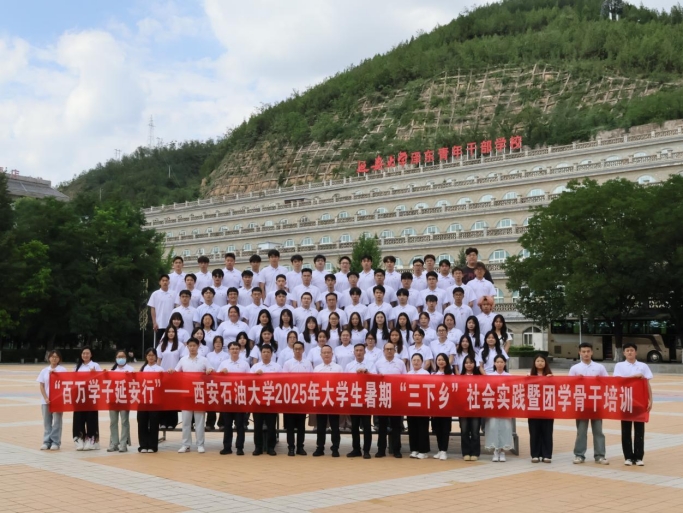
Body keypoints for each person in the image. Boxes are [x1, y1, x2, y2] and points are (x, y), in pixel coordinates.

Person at [169, 337, 213, 454]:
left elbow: (211, 370)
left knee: (199, 422)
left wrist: (209, 371)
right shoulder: (183, 360)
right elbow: (176, 372)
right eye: (190, 346)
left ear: (198, 346)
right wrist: (172, 371)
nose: (192, 348)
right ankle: (185, 444)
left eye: (194, 346)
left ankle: (200, 444)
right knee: (186, 421)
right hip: (186, 394)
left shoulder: (204, 360)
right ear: (187, 347)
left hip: (199, 394)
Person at [613, 342, 653, 466]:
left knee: (639, 430)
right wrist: (634, 377)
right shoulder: (619, 366)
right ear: (624, 353)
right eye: (627, 350)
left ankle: (639, 457)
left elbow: (647, 384)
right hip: (625, 401)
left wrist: (650, 399)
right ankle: (628, 457)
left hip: (639, 402)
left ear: (636, 352)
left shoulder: (643, 366)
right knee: (626, 430)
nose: (630, 352)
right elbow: (618, 382)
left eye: (632, 350)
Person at [570, 342, 610, 465]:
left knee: (598, 431)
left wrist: (600, 380)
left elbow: (608, 383)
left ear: (592, 352)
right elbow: (569, 385)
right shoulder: (575, 368)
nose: (586, 354)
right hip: (581, 403)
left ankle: (600, 455)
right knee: (581, 431)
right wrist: (577, 380)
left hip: (596, 403)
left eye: (588, 351)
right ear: (579, 353)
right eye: (583, 351)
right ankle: (579, 455)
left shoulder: (600, 367)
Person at [217, 342, 251, 456]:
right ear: (229, 351)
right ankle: (227, 447)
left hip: (240, 398)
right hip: (227, 398)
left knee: (240, 425)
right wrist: (221, 373)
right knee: (227, 424)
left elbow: (249, 380)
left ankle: (240, 447)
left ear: (240, 350)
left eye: (236, 348)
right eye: (232, 349)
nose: (234, 350)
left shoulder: (245, 364)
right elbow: (217, 378)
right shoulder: (224, 363)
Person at [282, 341, 313, 456]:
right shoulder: (288, 363)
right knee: (290, 425)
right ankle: (291, 447)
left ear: (303, 350)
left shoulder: (308, 363)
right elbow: (284, 380)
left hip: (302, 398)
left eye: (300, 349)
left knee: (301, 425)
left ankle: (300, 447)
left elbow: (311, 379)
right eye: (296, 349)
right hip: (290, 398)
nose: (298, 351)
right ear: (293, 350)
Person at [375, 341, 406, 458]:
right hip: (382, 397)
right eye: (387, 349)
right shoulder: (378, 363)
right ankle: (381, 450)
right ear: (383, 351)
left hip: (396, 398)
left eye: (391, 349)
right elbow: (374, 379)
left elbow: (405, 379)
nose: (389, 351)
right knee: (382, 426)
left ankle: (396, 450)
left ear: (395, 350)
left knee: (396, 425)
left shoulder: (400, 363)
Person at [345, 343, 376, 459]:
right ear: (354, 352)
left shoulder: (370, 364)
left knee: (367, 426)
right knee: (354, 426)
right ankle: (356, 449)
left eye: (361, 350)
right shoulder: (349, 366)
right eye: (357, 350)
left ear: (364, 352)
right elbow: (346, 381)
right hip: (354, 398)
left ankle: (366, 450)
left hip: (366, 398)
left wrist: (366, 372)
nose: (359, 352)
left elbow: (375, 378)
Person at [251, 344, 282, 455]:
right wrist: (255, 375)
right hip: (258, 400)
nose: (266, 354)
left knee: (271, 425)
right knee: (257, 425)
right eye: (264, 352)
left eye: (268, 352)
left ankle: (270, 447)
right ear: (261, 354)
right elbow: (248, 381)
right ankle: (258, 447)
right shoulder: (255, 367)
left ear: (271, 354)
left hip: (272, 400)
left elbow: (282, 381)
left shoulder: (277, 367)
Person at [313, 345, 343, 457]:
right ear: (321, 355)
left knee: (335, 426)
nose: (326, 354)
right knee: (321, 426)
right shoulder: (317, 369)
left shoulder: (338, 368)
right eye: (324, 352)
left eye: (328, 352)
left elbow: (342, 383)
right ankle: (320, 447)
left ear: (332, 354)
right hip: (321, 400)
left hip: (334, 400)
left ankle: (335, 448)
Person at [485, 355, 514, 462]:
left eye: (502, 362)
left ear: (505, 363)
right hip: (493, 406)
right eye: (497, 362)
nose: (500, 364)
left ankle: (502, 451)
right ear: (494, 363)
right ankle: (495, 450)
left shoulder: (509, 376)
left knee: (505, 427)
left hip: (505, 406)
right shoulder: (489, 376)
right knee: (493, 427)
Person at [73, 347, 102, 451]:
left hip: (91, 395)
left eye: (87, 353)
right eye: (83, 353)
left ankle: (92, 440)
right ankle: (79, 439)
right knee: (79, 418)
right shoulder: (77, 367)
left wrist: (95, 374)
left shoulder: (95, 365)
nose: (85, 355)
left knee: (91, 418)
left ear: (91, 355)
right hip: (79, 396)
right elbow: (72, 380)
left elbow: (101, 379)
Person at [37, 350, 66, 450]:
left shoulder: (62, 370)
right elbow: (41, 385)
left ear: (59, 359)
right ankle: (46, 442)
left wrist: (56, 375)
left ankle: (55, 442)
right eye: (52, 356)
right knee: (47, 422)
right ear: (49, 358)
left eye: (56, 357)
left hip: (58, 401)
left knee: (57, 422)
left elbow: (66, 383)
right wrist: (45, 397)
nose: (54, 358)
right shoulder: (44, 370)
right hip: (46, 400)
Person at [528, 353, 554, 463]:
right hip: (533, 407)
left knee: (547, 431)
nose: (540, 363)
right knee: (534, 432)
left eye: (542, 361)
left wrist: (551, 380)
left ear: (545, 363)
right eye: (538, 361)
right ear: (534, 363)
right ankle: (535, 454)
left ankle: (546, 455)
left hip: (547, 408)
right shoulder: (529, 375)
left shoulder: (550, 376)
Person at [107, 350, 134, 453]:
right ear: (116, 358)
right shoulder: (112, 370)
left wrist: (130, 376)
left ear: (126, 358)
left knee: (124, 421)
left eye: (122, 356)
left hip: (124, 399)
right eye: (119, 357)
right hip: (113, 399)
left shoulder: (130, 369)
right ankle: (114, 443)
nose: (121, 358)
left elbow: (134, 382)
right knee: (113, 422)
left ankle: (123, 444)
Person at [138, 348, 163, 453]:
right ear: (146, 357)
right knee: (142, 422)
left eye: (153, 355)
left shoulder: (160, 369)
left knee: (154, 423)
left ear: (156, 356)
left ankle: (153, 445)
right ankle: (143, 445)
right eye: (149, 355)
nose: (151, 357)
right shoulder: (142, 369)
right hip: (143, 400)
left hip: (155, 400)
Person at [156, 326, 181, 429]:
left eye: (173, 331)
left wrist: (176, 370)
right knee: (163, 399)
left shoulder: (180, 345)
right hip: (163, 375)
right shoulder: (162, 345)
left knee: (173, 399)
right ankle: (162, 422)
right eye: (169, 332)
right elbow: (158, 360)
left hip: (175, 376)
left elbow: (181, 359)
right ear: (166, 333)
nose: (171, 333)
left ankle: (172, 422)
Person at [406, 354, 430, 459]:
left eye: (418, 360)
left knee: (422, 428)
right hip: (411, 404)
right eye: (414, 360)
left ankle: (423, 451)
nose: (416, 362)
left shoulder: (426, 373)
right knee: (412, 428)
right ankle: (414, 449)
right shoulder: (408, 374)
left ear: (422, 362)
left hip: (422, 404)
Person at [459, 355, 482, 461]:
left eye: (471, 362)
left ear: (474, 364)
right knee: (464, 431)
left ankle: (475, 453)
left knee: (475, 432)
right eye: (467, 363)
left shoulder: (479, 377)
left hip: (476, 409)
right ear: (464, 364)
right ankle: (466, 452)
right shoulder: (460, 377)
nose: (469, 365)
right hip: (463, 409)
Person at [431, 353, 453, 460]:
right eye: (439, 360)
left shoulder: (451, 375)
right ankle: (440, 450)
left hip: (447, 406)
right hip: (436, 406)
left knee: (445, 429)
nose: (441, 362)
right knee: (437, 429)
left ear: (447, 362)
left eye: (443, 360)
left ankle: (444, 450)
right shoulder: (433, 374)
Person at [206, 336, 228, 431]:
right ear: (213, 344)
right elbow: (206, 366)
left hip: (223, 381)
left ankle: (221, 423)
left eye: (220, 342)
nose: (218, 344)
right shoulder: (209, 355)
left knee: (223, 401)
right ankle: (210, 423)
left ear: (222, 344)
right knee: (211, 401)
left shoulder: (226, 355)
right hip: (211, 381)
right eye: (216, 342)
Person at [148, 274, 176, 342]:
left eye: (166, 280)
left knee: (171, 342)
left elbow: (176, 307)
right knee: (160, 343)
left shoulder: (174, 293)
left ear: (169, 282)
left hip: (171, 324)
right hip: (159, 324)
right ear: (159, 282)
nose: (165, 282)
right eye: (163, 281)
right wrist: (154, 322)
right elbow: (152, 309)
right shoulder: (155, 294)